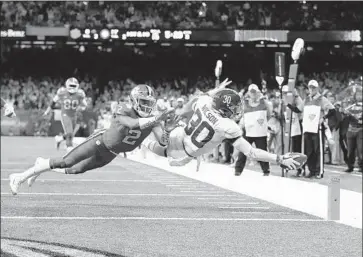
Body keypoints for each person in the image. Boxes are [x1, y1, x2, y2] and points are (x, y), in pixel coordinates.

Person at [9, 85, 176, 195]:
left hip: (112, 152)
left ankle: (41, 165)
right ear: (134, 100)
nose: (147, 106)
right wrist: (156, 119)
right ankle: (20, 176)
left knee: (76, 170)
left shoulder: (153, 120)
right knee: (67, 162)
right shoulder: (124, 108)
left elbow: (162, 141)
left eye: (149, 103)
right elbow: (131, 123)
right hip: (100, 142)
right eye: (143, 102)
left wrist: (167, 130)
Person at [143, 88, 300, 171]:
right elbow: (251, 152)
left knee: (155, 137)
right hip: (183, 153)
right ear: (225, 107)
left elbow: (200, 97)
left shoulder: (205, 102)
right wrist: (279, 159)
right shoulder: (226, 125)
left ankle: (143, 132)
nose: (237, 110)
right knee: (155, 145)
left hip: (180, 135)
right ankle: (141, 135)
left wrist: (182, 112)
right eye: (234, 107)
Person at [235, 84, 273, 176]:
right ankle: (238, 170)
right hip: (248, 131)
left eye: (254, 92)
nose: (253, 94)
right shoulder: (245, 103)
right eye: (251, 92)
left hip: (260, 132)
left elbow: (268, 115)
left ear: (257, 92)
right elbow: (240, 114)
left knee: (262, 151)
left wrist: (261, 124)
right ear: (249, 93)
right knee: (243, 150)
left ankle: (266, 170)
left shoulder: (264, 102)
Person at [302, 80, 336, 178]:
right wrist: (288, 105)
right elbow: (299, 109)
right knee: (309, 151)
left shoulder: (322, 99)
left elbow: (333, 110)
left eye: (313, 87)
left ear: (317, 88)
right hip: (308, 128)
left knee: (318, 150)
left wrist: (324, 118)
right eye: (310, 87)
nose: (311, 89)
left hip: (317, 128)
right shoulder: (307, 99)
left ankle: (319, 171)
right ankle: (312, 170)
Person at [43, 77, 88, 151]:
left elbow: (84, 105)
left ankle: (59, 139)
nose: (72, 87)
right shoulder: (62, 92)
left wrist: (81, 108)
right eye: (71, 85)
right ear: (67, 85)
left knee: (70, 133)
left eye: (74, 86)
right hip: (65, 115)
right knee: (69, 132)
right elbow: (53, 102)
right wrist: (47, 111)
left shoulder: (80, 94)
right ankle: (69, 147)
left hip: (74, 115)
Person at [344, 86, 362, 173]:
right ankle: (350, 166)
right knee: (350, 150)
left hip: (360, 129)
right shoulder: (350, 105)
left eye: (360, 95)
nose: (359, 96)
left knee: (360, 149)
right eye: (357, 95)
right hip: (350, 129)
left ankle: (361, 166)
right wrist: (345, 113)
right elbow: (345, 117)